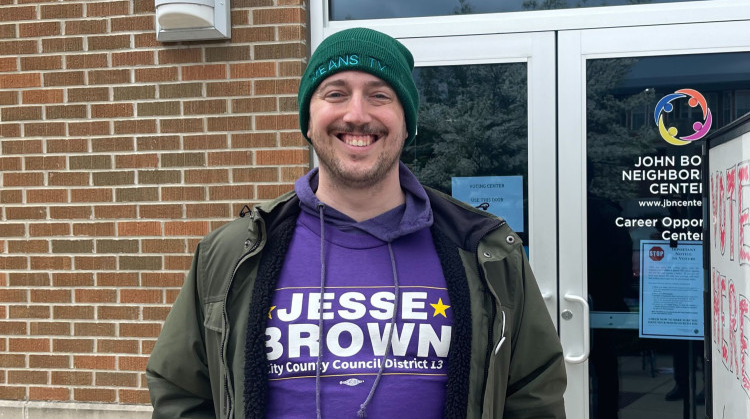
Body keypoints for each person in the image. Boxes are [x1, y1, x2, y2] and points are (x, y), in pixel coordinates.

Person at [146, 27, 567, 419]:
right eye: (335, 93)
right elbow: (181, 390)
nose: (357, 114)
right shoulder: (232, 253)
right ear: (308, 122)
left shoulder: (483, 249)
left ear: (407, 124)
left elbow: (533, 392)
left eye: (380, 95)